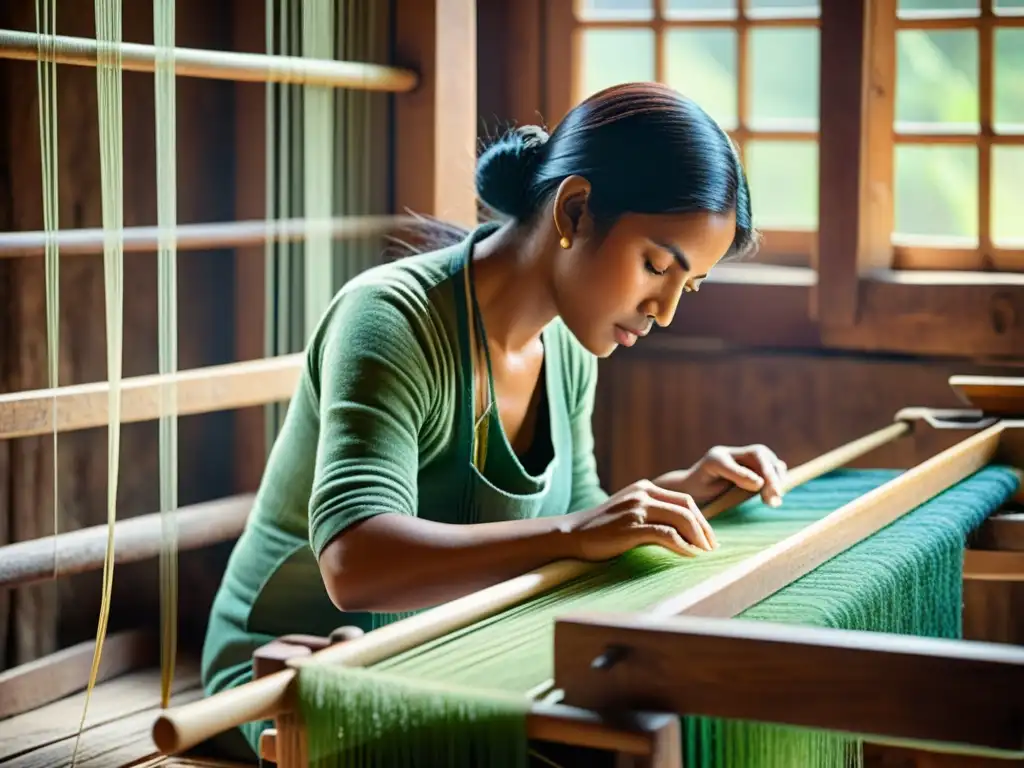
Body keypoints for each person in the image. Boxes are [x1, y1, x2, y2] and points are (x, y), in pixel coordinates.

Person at [200, 81, 788, 759]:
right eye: (656, 265)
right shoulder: (391, 319)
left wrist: (677, 496)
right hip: (297, 668)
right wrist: (576, 533)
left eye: (686, 286)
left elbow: (577, 522)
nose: (665, 310)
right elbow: (355, 563)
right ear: (575, 209)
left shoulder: (568, 347)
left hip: (448, 652)